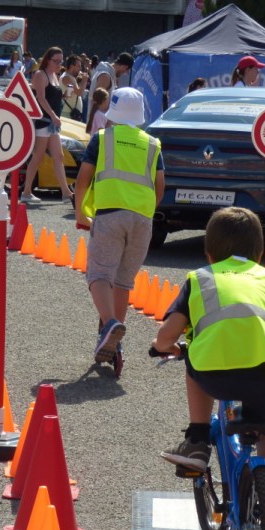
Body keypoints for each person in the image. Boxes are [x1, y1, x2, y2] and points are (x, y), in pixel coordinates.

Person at [154, 206, 265, 530]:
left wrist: (164, 347)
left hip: (214, 373)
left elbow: (166, 336)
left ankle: (198, 440)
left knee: (193, 360)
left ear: (208, 252)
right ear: (259, 254)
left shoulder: (200, 279)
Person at [74, 87, 165, 364]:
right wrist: (145, 211)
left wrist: (80, 213)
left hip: (110, 213)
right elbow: (160, 186)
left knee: (99, 275)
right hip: (143, 218)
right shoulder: (153, 144)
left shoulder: (103, 138)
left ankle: (110, 324)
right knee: (123, 281)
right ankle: (114, 344)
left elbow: (83, 179)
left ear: (112, 112)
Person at [20, 47, 74, 206]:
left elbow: (50, 97)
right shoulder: (40, 74)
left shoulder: (54, 75)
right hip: (43, 121)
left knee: (59, 156)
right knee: (37, 157)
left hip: (51, 123)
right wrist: (53, 116)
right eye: (56, 61)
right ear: (48, 60)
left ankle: (66, 192)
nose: (59, 64)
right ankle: (26, 192)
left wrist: (63, 96)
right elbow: (41, 98)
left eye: (61, 61)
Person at [61, 55, 86, 121]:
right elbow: (79, 93)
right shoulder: (66, 77)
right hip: (67, 113)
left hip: (71, 113)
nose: (80, 68)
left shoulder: (71, 77)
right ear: (72, 66)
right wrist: (84, 81)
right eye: (78, 66)